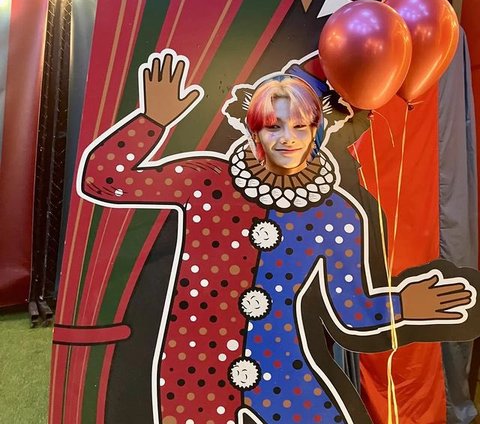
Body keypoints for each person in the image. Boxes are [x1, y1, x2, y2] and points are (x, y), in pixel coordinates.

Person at [80, 50, 475, 424]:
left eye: (300, 126)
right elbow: (105, 180)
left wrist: (403, 304)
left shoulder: (336, 214)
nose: (288, 138)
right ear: (255, 130)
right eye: (274, 126)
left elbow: (351, 310)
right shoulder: (207, 182)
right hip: (195, 370)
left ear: (317, 130)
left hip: (283, 370)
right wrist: (152, 121)